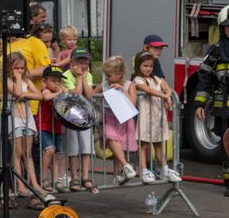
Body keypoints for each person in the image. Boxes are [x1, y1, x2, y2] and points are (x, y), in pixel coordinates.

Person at [193, 4, 229, 196]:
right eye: (227, 26)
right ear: (222, 28)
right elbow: (205, 77)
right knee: (228, 148)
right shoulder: (215, 51)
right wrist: (200, 104)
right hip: (223, 109)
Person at [5, 51, 47, 207]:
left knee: (28, 153)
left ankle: (34, 184)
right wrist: (16, 79)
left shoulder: (27, 80)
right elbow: (15, 92)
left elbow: (40, 95)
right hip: (14, 119)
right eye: (17, 68)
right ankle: (20, 184)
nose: (20, 71)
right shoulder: (9, 81)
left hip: (27, 118)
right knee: (17, 152)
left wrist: (25, 93)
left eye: (22, 68)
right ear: (10, 68)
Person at [132, 52, 179, 184]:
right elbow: (148, 90)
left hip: (158, 116)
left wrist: (168, 95)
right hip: (146, 116)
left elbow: (166, 86)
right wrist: (164, 96)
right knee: (143, 145)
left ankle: (165, 169)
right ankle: (144, 170)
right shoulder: (138, 80)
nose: (148, 68)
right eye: (145, 65)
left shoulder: (156, 79)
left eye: (151, 66)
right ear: (138, 66)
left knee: (158, 144)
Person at [97, 56, 138, 184]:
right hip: (109, 118)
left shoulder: (129, 85)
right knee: (111, 138)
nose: (106, 78)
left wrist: (122, 90)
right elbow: (91, 95)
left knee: (119, 147)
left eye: (109, 76)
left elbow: (132, 101)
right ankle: (126, 166)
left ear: (119, 75)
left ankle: (119, 173)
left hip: (124, 118)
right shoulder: (104, 85)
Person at [63, 48, 99, 193]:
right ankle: (74, 177)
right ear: (72, 63)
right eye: (79, 62)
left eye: (85, 63)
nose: (83, 66)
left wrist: (84, 78)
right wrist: (78, 78)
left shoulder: (88, 75)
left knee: (86, 146)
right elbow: (77, 95)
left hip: (85, 115)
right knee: (73, 148)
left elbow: (89, 95)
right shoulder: (66, 76)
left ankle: (85, 176)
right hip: (70, 116)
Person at [39, 65, 67, 193]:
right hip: (44, 126)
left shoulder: (59, 92)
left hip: (56, 127)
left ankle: (56, 180)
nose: (57, 83)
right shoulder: (46, 91)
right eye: (53, 81)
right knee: (49, 150)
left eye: (59, 81)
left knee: (57, 154)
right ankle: (44, 178)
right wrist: (59, 92)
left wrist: (64, 93)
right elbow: (46, 97)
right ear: (45, 81)